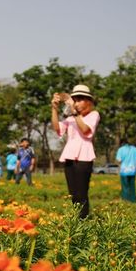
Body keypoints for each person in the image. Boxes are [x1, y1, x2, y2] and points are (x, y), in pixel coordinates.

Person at [51, 84, 100, 218]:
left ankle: (83, 221)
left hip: (84, 158)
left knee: (82, 193)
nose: (76, 103)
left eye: (79, 100)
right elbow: (58, 129)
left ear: (88, 101)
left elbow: (85, 130)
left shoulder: (93, 115)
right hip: (69, 156)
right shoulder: (71, 118)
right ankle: (76, 220)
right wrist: (54, 109)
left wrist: (74, 111)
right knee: (73, 194)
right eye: (75, 100)